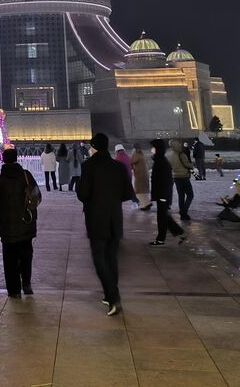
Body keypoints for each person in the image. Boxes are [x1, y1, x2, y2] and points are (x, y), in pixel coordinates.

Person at [77, 133, 136, 316]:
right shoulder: (118, 167)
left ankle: (113, 296)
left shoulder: (89, 166)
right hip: (114, 219)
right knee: (112, 258)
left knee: (99, 258)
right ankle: (109, 295)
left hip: (96, 219)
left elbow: (83, 193)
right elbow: (127, 194)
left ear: (94, 147)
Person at [0, 147, 39, 298]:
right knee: (26, 255)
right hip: (26, 223)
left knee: (9, 259)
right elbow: (36, 194)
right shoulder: (26, 175)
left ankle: (14, 290)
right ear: (16, 158)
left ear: (3, 160)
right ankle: (27, 284)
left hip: (8, 226)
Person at [149, 139, 186, 246]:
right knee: (164, 217)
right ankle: (180, 234)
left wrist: (164, 197)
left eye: (153, 147)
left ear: (158, 149)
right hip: (161, 194)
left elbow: (166, 181)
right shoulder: (159, 160)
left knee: (162, 217)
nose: (151, 150)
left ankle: (161, 239)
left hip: (163, 195)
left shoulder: (161, 162)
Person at [166, 139, 194, 220]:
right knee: (190, 195)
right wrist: (191, 165)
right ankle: (183, 211)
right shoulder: (181, 154)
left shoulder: (169, 155)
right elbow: (187, 164)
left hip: (175, 177)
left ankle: (182, 214)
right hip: (184, 176)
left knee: (181, 196)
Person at [130, 144, 151, 210]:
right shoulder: (141, 154)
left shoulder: (136, 155)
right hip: (144, 175)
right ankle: (146, 203)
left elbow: (131, 162)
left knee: (139, 191)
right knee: (143, 190)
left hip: (139, 175)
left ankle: (145, 204)